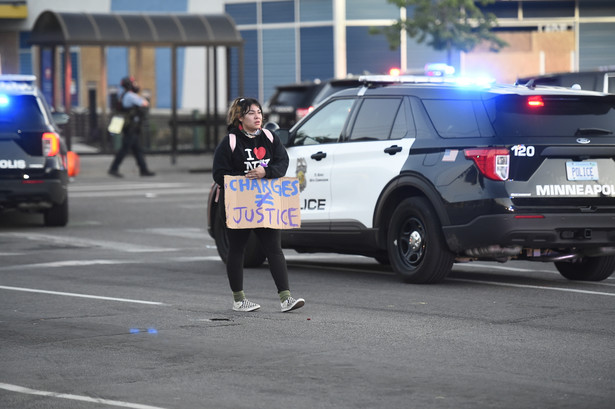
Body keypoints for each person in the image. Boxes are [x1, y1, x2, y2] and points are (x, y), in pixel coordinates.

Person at [212, 97, 305, 313]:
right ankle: (239, 300)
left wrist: (266, 172)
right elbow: (219, 173)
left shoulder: (270, 138)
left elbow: (282, 162)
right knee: (237, 249)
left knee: (274, 248)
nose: (257, 116)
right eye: (252, 113)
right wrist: (244, 177)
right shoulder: (230, 142)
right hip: (239, 204)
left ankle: (286, 298)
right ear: (240, 117)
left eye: (259, 112)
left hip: (266, 202)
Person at [108, 76, 155, 178]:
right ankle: (113, 168)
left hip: (130, 126)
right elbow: (144, 103)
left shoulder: (123, 95)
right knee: (125, 149)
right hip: (131, 127)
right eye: (133, 83)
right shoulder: (130, 95)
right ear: (129, 85)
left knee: (137, 149)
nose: (135, 85)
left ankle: (143, 169)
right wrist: (145, 98)